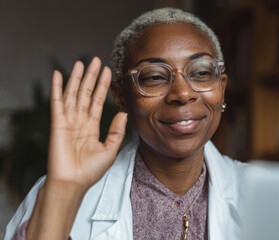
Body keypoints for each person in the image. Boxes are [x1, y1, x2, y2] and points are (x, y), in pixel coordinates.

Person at [5, 8, 247, 240]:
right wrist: (63, 193)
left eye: (202, 73)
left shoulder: (265, 194)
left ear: (222, 88)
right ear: (121, 97)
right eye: (154, 77)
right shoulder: (55, 193)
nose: (182, 94)